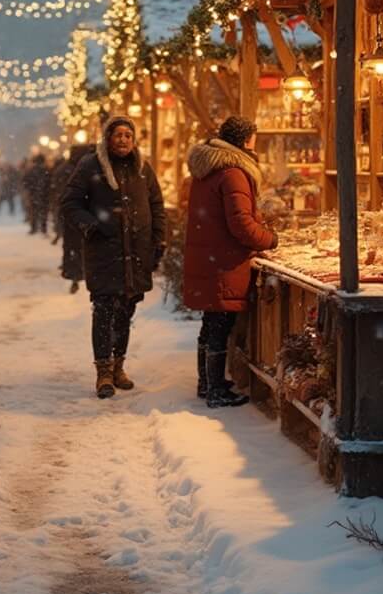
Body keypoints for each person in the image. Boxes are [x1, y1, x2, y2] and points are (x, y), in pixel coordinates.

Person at [60, 115, 166, 398]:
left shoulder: (142, 168)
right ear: (108, 138)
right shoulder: (90, 166)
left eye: (127, 136)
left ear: (134, 140)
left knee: (126, 311)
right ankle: (103, 372)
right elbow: (69, 203)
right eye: (117, 135)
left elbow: (156, 204)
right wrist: (92, 224)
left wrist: (159, 239)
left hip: (136, 253)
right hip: (104, 253)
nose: (123, 140)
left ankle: (119, 366)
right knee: (105, 310)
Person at [183, 115, 278, 408]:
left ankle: (208, 383)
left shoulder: (209, 169)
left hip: (210, 257)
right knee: (220, 325)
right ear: (244, 140)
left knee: (210, 324)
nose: (255, 144)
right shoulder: (233, 172)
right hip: (223, 262)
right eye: (253, 138)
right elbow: (241, 224)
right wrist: (270, 239)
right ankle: (215, 391)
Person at [58, 142, 95, 293]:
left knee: (73, 246)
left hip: (71, 216)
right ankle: (84, 272)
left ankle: (74, 273)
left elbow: (59, 192)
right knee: (86, 246)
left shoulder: (66, 170)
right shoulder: (89, 169)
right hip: (86, 215)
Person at [23, 153, 52, 235]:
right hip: (44, 195)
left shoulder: (31, 170)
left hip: (33, 194)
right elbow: (50, 182)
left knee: (34, 211)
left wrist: (30, 189)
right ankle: (43, 228)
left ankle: (33, 227)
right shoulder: (47, 169)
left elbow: (25, 181)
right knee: (44, 212)